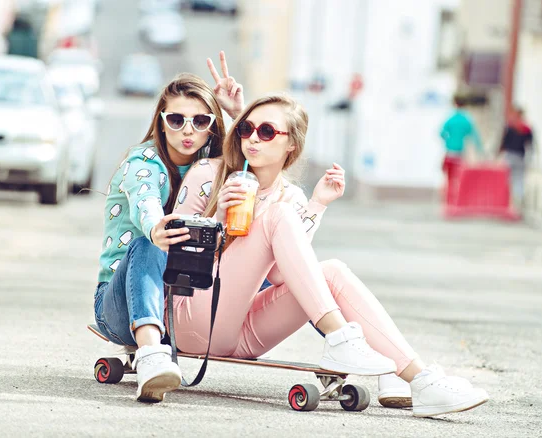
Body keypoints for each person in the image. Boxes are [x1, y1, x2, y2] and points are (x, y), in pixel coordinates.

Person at [171, 93, 490, 417]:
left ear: (290, 144)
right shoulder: (209, 175)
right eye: (246, 128)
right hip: (192, 318)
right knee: (280, 217)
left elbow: (283, 276)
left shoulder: (291, 198)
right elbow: (172, 252)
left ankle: (420, 380)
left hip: (240, 333)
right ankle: (341, 338)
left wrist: (317, 206)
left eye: (266, 131)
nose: (253, 138)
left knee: (333, 271)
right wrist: (218, 220)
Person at [93, 52, 244, 403]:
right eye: (176, 120)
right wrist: (154, 229)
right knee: (151, 245)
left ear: (211, 123)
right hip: (118, 304)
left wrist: (237, 113)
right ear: (161, 121)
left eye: (199, 120)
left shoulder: (213, 166)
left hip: (181, 299)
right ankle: (149, 356)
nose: (187, 130)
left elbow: (259, 154)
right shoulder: (143, 163)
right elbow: (145, 200)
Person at [440, 94, 484, 204]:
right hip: (460, 153)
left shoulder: (450, 119)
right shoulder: (466, 120)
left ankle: (447, 199)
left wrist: (448, 141)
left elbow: (441, 133)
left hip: (450, 152)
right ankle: (457, 199)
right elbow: (474, 137)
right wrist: (480, 150)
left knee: (449, 178)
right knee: (458, 177)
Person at [499, 106, 534, 210]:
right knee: (519, 180)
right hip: (520, 157)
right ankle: (517, 204)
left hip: (509, 156)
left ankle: (507, 204)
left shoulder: (510, 126)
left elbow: (503, 142)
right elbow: (530, 145)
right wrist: (530, 158)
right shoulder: (526, 128)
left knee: (506, 179)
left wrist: (498, 154)